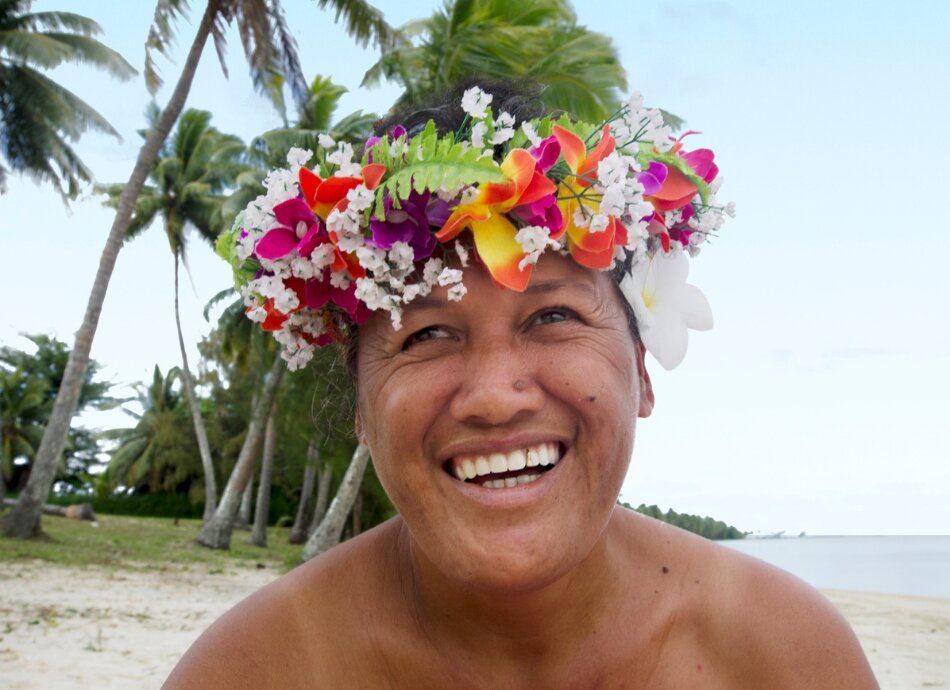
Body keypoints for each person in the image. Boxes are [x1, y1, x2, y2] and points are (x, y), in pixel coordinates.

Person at [164, 83, 878, 688]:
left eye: (554, 315)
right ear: (361, 409)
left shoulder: (781, 655)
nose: (497, 397)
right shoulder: (254, 670)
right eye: (426, 335)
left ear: (641, 370)